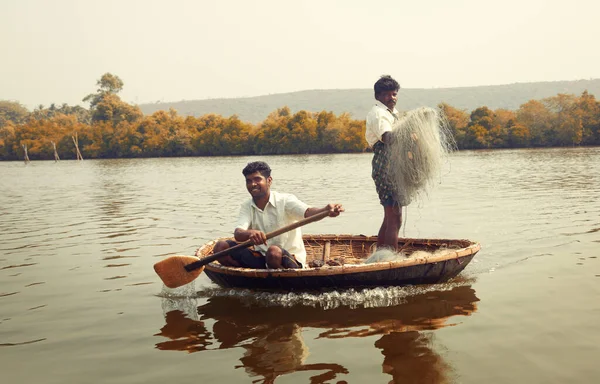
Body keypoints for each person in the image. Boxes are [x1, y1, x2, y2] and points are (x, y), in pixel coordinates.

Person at [203, 161, 344, 269]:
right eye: (249, 181)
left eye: (257, 179)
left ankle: (274, 281)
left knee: (273, 252)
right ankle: (245, 277)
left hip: (289, 259)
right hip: (261, 259)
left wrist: (326, 210)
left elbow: (308, 212)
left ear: (269, 181)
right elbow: (238, 233)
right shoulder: (246, 206)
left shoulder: (285, 200)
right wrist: (250, 233)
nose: (253, 184)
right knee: (220, 247)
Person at [365, 75, 404, 251]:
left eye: (394, 94)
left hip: (394, 165)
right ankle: (391, 260)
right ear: (378, 96)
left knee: (390, 217)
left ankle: (380, 256)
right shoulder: (379, 114)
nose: (392, 98)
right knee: (395, 217)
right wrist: (409, 130)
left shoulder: (392, 113)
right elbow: (387, 137)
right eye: (387, 94)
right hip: (386, 166)